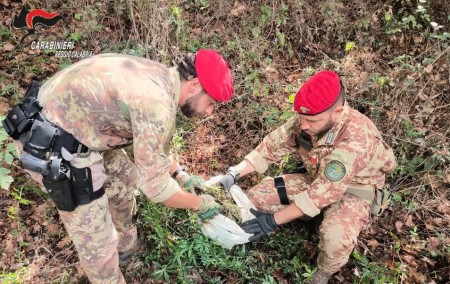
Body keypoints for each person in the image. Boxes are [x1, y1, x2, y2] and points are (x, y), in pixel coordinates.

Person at [3, 49, 234, 283]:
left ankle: (126, 246)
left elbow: (155, 146)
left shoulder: (160, 77)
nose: (209, 112)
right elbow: (156, 188)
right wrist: (199, 204)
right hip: (54, 146)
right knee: (98, 245)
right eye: (211, 103)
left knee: (126, 180)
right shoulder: (155, 102)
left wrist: (180, 174)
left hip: (83, 131)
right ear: (194, 85)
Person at [218, 70, 396, 283]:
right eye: (302, 118)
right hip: (316, 180)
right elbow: (270, 148)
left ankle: (323, 272)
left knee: (334, 238)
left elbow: (322, 194)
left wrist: (271, 222)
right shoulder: (309, 119)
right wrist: (233, 173)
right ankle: (312, 217)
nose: (303, 125)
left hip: (354, 191)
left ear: (337, 113)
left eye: (312, 120)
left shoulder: (357, 139)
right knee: (256, 197)